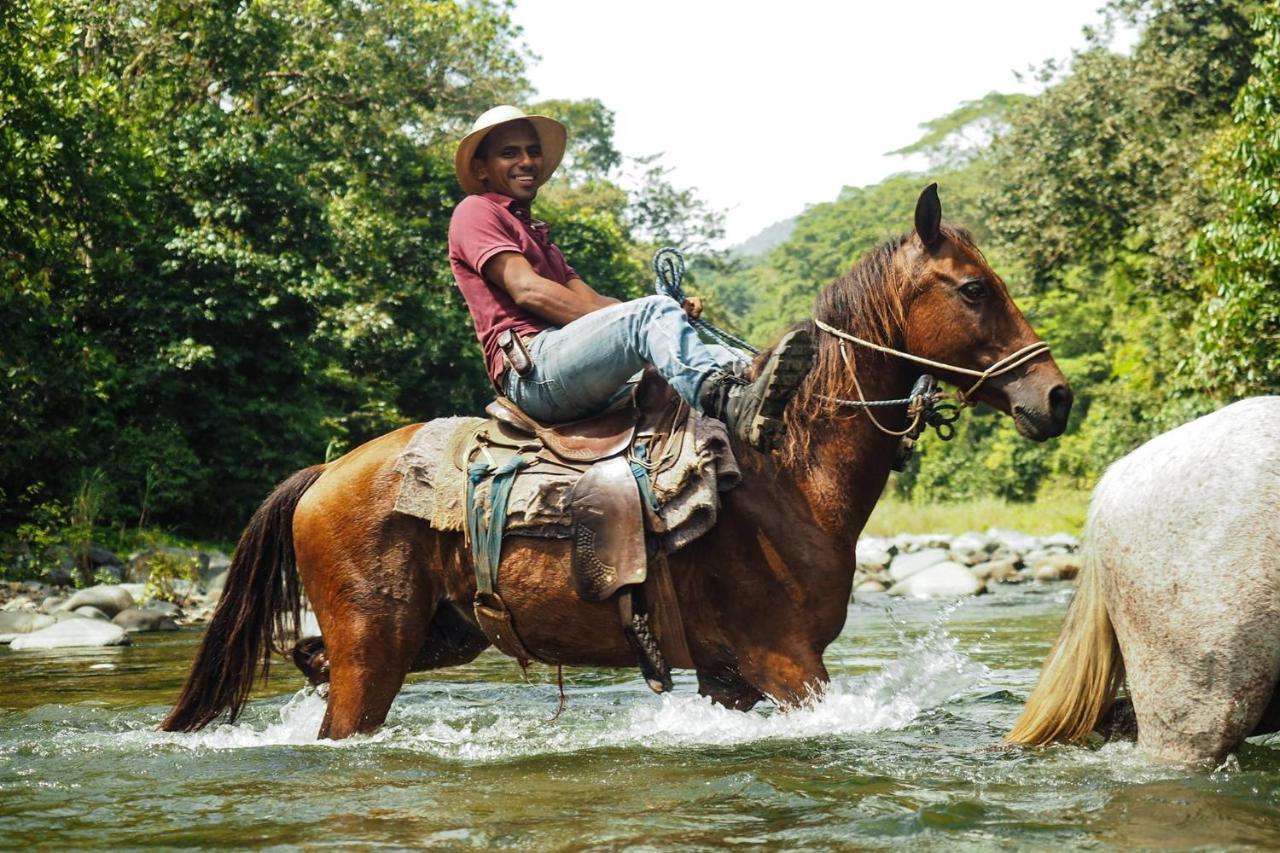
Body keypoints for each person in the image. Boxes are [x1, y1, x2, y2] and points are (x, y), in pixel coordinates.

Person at [448, 105, 812, 452]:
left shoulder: (540, 238)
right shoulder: (475, 211)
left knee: (712, 352)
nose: (526, 161)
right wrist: (649, 318)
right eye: (510, 153)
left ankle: (767, 392)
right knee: (651, 316)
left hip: (566, 361)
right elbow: (527, 290)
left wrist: (670, 318)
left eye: (532, 151)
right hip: (532, 371)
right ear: (481, 169)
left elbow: (596, 305)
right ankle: (732, 408)